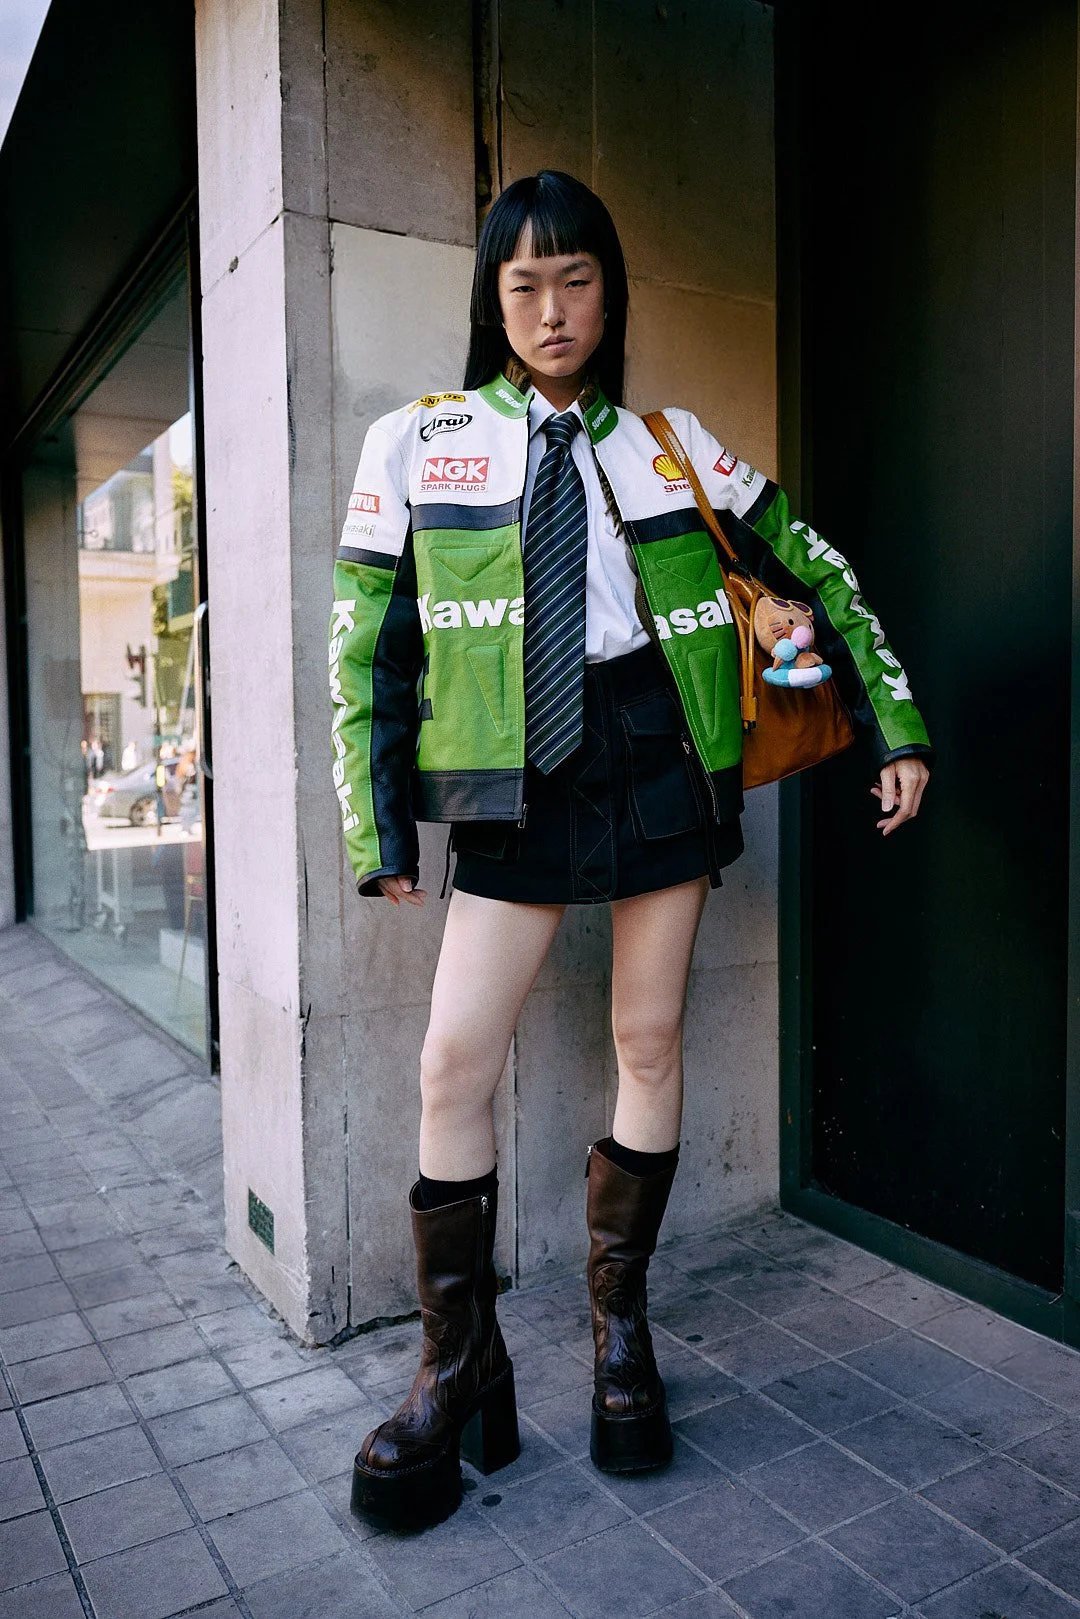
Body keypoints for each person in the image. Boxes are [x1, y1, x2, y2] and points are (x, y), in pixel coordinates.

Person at [328, 170, 932, 1530]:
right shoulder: (417, 443)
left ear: (611, 291)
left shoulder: (675, 445)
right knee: (448, 1060)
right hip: (509, 781)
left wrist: (893, 716)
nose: (552, 308)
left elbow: (814, 567)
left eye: (578, 279)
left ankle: (619, 1333)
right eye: (524, 284)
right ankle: (455, 1358)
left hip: (656, 756)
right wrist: (381, 823)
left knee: (649, 1043)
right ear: (492, 298)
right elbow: (368, 645)